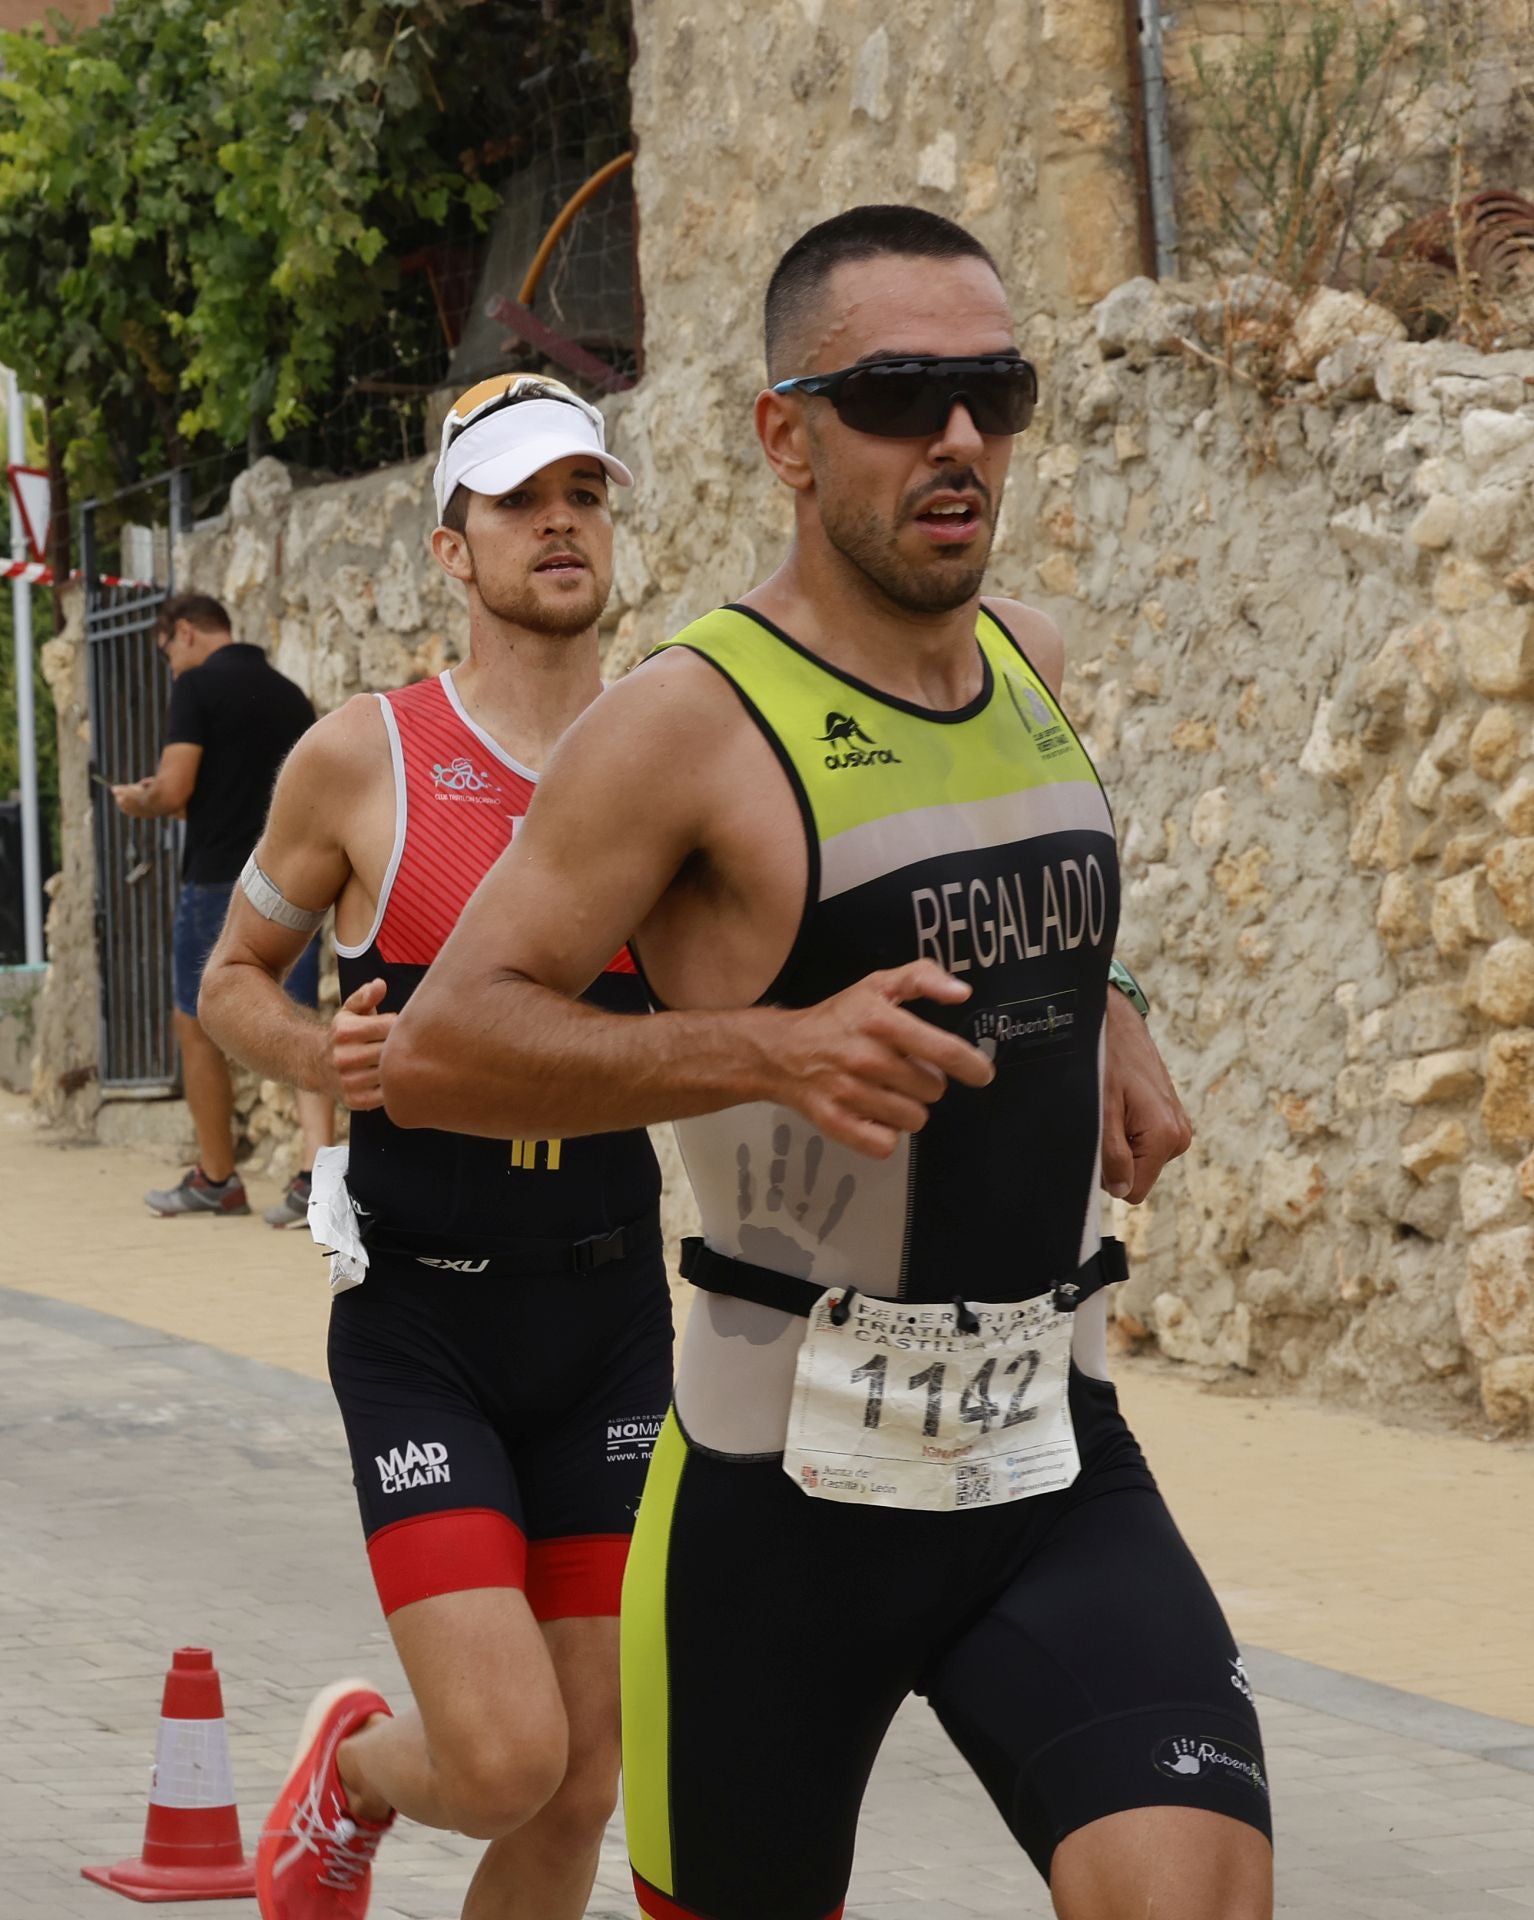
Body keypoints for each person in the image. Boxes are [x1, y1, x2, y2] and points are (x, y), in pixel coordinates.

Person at [383, 206, 1269, 1920]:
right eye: (898, 396)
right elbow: (438, 1048)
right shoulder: (682, 725)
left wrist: (1109, 1007)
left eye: (995, 392)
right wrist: (764, 1049)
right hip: (776, 1499)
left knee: (1197, 1894)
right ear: (784, 437)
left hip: (1046, 1449)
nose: (959, 435)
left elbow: (1000, 889)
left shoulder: (1027, 659)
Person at [197, 374, 673, 1920]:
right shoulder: (364, 758)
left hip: (611, 1322)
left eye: (583, 493)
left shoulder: (676, 756)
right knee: (501, 1759)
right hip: (426, 1326)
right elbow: (229, 979)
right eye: (518, 499)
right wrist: (312, 1052)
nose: (559, 522)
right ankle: (352, 1777)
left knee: (581, 1783)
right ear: (450, 552)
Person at [112, 594, 333, 1223]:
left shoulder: (196, 687)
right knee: (299, 1017)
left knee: (197, 1019)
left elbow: (175, 789)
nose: (171, 667)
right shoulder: (289, 694)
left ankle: (216, 1177)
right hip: (293, 879)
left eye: (166, 653)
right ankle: (316, 1179)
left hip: (218, 881)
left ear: (183, 632)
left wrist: (141, 800)